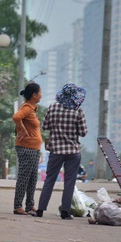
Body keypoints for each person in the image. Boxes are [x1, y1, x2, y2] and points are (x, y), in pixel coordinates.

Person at [33, 83, 88, 220]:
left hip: (56, 150)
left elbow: (45, 126)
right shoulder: (78, 110)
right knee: (69, 182)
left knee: (50, 180)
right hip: (73, 152)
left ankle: (40, 210)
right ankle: (65, 212)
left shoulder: (53, 107)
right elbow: (83, 132)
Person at [11, 82, 42, 216]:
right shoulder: (27, 108)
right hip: (26, 148)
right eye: (39, 93)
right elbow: (16, 117)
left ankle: (30, 205)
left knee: (33, 178)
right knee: (24, 177)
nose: (41, 95)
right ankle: (18, 206)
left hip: (34, 148)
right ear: (34, 95)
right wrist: (23, 131)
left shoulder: (32, 109)